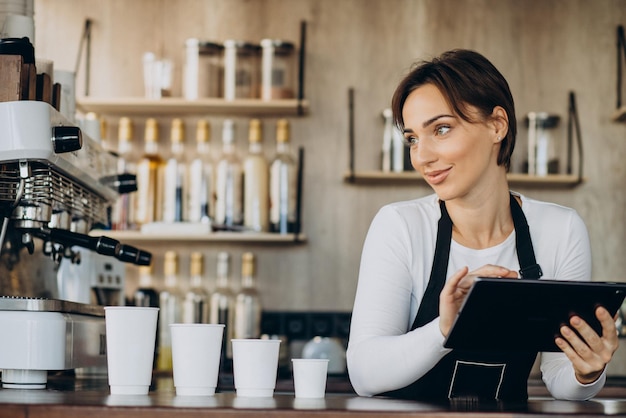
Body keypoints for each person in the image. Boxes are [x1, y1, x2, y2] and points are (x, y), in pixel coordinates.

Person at [346, 49, 618, 402]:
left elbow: (559, 377)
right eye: (412, 138)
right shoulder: (399, 226)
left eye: (441, 129)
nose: (422, 156)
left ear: (497, 125)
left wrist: (588, 370)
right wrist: (445, 329)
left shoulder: (560, 229)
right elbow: (364, 374)